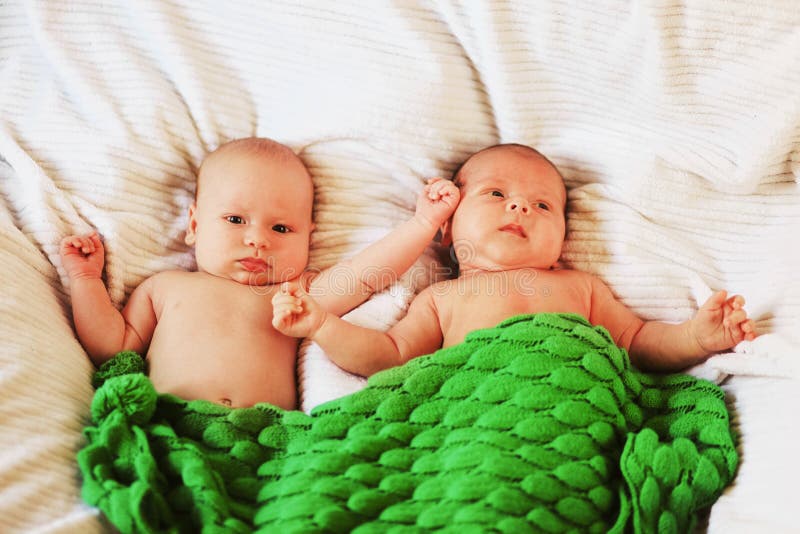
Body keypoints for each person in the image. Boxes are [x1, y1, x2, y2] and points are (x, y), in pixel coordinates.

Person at [272, 143, 757, 376]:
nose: (520, 207)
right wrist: (324, 327)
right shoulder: (442, 298)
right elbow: (388, 357)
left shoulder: (580, 288)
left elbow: (638, 342)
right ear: (448, 226)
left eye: (542, 205)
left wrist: (694, 337)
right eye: (497, 194)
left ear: (562, 238)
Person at [60, 137, 459, 408]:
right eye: (235, 219)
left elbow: (365, 274)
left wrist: (424, 223)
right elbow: (112, 347)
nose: (257, 240)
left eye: (281, 228)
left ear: (308, 238)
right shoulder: (165, 288)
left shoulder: (295, 296)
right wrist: (85, 281)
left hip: (262, 438)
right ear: (194, 225)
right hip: (171, 422)